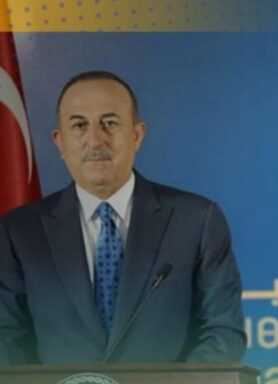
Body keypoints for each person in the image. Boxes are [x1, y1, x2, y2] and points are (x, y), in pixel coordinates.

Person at [0, 71, 246, 364]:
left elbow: (223, 333)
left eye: (110, 123)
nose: (95, 140)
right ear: (60, 142)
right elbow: (7, 341)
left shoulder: (197, 221)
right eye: (79, 125)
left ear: (136, 135)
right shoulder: (18, 232)